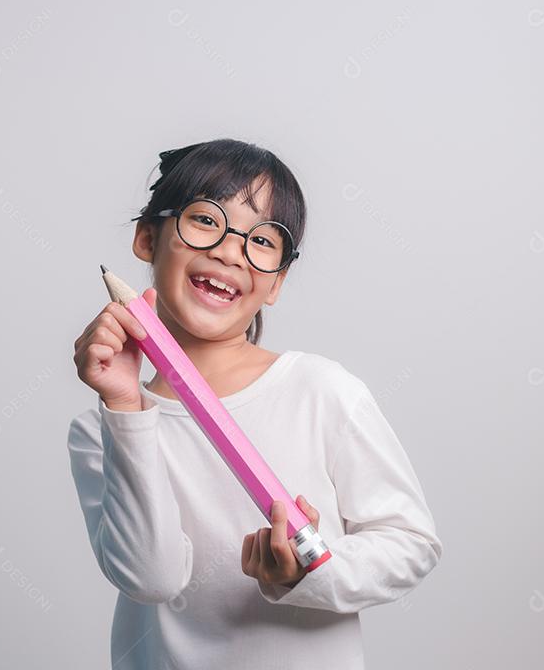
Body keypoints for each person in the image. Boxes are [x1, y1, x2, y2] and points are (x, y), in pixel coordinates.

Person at [67, 138, 442, 669]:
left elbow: (410, 542)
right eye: (205, 219)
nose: (228, 250)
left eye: (263, 240)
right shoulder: (102, 428)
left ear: (277, 283)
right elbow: (152, 578)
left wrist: (313, 572)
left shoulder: (322, 391)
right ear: (148, 237)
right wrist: (126, 408)